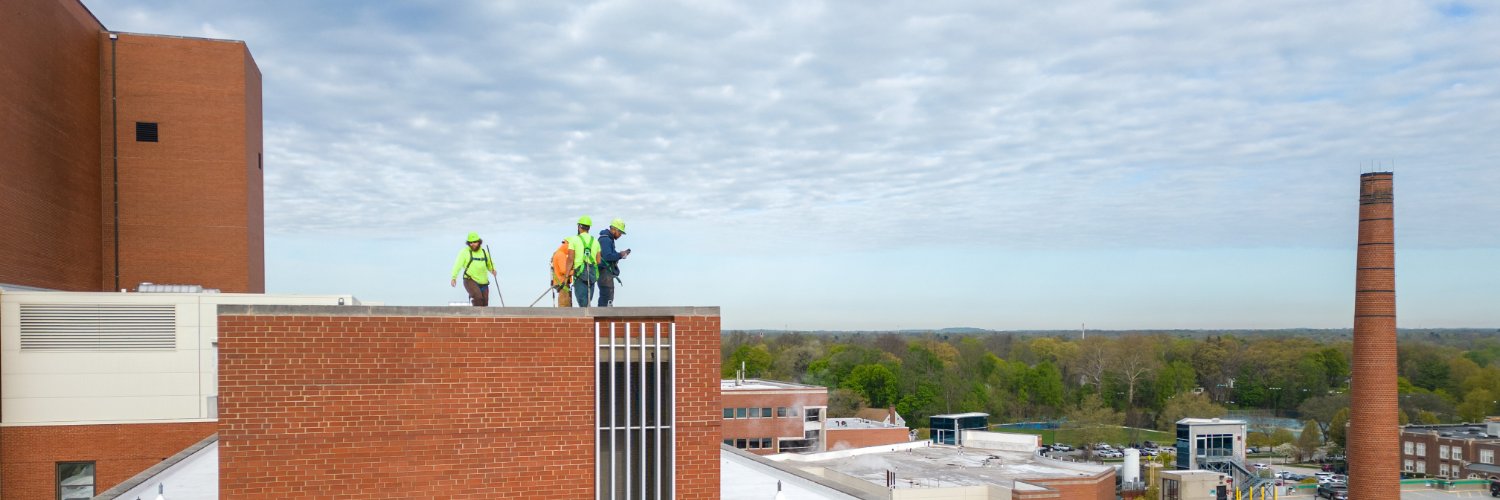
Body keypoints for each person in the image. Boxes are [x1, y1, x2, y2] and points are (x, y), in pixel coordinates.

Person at [450, 232, 497, 306]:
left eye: (475, 242)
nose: (473, 244)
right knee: (478, 298)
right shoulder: (464, 252)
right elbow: (457, 265)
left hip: (483, 282)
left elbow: (489, 264)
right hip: (470, 280)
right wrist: (454, 277)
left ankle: (482, 317)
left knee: (485, 302)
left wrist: (493, 270)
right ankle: (474, 312)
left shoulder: (484, 252)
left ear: (479, 242)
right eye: (470, 242)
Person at [565, 216, 601, 307]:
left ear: (579, 226)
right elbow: (598, 261)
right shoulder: (595, 241)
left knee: (582, 303)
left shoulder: (574, 240)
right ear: (589, 228)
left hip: (579, 274)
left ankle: (585, 320)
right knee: (588, 301)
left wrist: (566, 276)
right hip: (592, 274)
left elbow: (570, 259)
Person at [596, 218, 630, 307]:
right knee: (606, 299)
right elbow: (607, 256)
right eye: (620, 232)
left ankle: (603, 318)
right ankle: (602, 318)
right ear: (614, 229)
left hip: (605, 274)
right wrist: (619, 255)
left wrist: (620, 255)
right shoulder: (606, 240)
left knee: (607, 300)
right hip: (604, 273)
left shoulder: (608, 239)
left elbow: (609, 255)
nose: (620, 235)